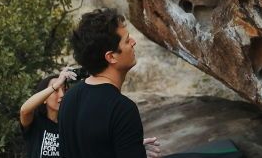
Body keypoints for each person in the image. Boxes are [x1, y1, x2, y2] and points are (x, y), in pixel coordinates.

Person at [58, 8, 162, 158]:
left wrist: (131, 147)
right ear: (111, 57)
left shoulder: (69, 98)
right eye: (127, 40)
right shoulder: (122, 108)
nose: (134, 42)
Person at [19, 68, 77, 158]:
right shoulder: (36, 122)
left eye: (64, 90)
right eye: (56, 90)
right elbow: (24, 110)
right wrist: (56, 84)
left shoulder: (71, 125)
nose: (62, 95)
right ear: (44, 98)